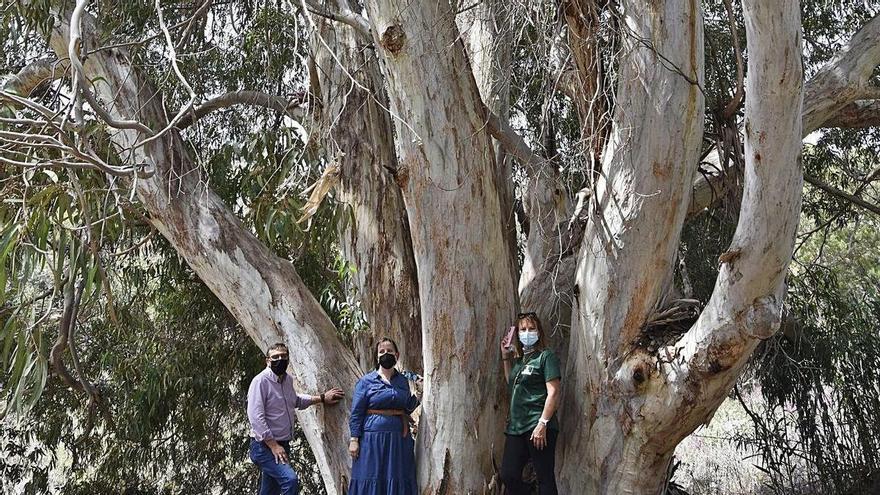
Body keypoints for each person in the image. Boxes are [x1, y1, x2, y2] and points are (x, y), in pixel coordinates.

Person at [247, 342, 344, 495]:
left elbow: (296, 400)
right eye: (275, 357)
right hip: (264, 446)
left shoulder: (287, 380)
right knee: (289, 480)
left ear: (288, 359)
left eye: (283, 356)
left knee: (269, 491)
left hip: (282, 444)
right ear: (267, 360)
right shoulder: (260, 382)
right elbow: (256, 418)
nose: (280, 359)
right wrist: (273, 446)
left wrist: (323, 397)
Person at [499, 312, 562, 495]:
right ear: (517, 334)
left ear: (539, 331)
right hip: (516, 427)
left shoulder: (545, 357)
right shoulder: (520, 361)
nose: (527, 333)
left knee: (545, 477)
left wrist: (543, 423)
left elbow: (554, 392)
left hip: (538, 425)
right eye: (523, 329)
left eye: (531, 328)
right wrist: (505, 358)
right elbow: (512, 383)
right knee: (508, 474)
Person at [348, 337, 419, 494]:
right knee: (371, 477)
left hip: (399, 440)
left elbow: (406, 407)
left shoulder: (402, 381)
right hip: (372, 440)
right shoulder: (366, 382)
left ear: (397, 354)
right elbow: (356, 413)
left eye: (389, 351)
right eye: (382, 351)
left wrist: (418, 395)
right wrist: (354, 439)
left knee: (397, 477)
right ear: (377, 356)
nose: (386, 354)